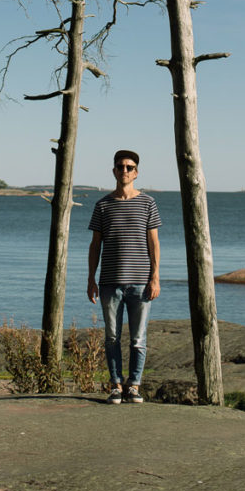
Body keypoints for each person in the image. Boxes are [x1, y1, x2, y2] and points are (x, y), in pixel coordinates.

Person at [87, 149, 161, 404]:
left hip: (140, 283)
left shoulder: (148, 203)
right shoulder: (103, 205)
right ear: (114, 171)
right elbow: (95, 244)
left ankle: (135, 386)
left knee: (138, 339)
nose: (125, 171)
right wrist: (91, 279)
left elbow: (154, 243)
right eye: (121, 167)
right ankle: (116, 385)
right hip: (109, 283)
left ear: (136, 173)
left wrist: (155, 277)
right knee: (112, 338)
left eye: (130, 167)